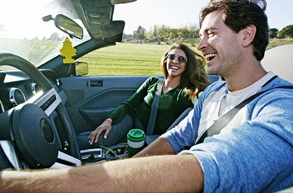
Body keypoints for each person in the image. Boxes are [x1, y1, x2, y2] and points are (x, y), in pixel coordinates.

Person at [0, 0, 293, 193]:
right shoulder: (213, 95)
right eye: (200, 35)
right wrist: (127, 166)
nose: (200, 45)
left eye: (211, 34)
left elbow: (216, 166)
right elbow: (175, 139)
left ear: (246, 36)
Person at [77, 42, 210, 150]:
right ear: (165, 60)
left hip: (152, 139)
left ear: (187, 66)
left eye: (181, 59)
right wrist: (108, 121)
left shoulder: (188, 93)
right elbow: (128, 105)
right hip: (131, 123)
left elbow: (203, 104)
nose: (175, 61)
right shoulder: (152, 82)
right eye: (171, 57)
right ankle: (66, 146)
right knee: (97, 139)